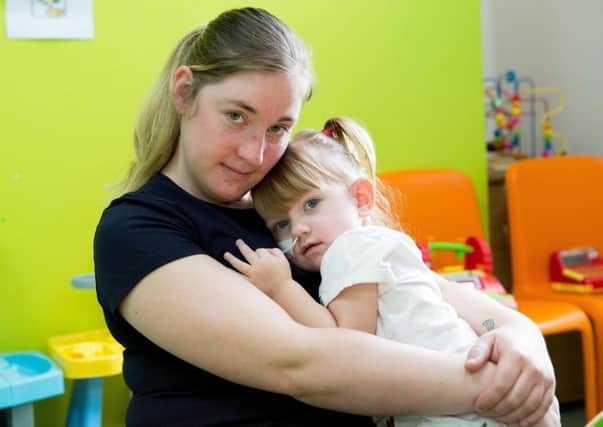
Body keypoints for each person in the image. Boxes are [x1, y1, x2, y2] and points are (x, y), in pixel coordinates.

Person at [93, 7, 557, 427]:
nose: (256, 153)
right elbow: (302, 365)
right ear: (184, 92)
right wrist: (498, 390)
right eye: (236, 116)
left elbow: (437, 293)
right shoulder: (137, 230)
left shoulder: (287, 211)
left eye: (278, 128)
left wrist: (524, 343)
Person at [224, 117, 560, 427]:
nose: (298, 229)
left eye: (311, 204)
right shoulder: (382, 249)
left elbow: (345, 345)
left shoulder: (349, 249)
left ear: (361, 197)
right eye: (281, 224)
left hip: (458, 412)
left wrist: (280, 287)